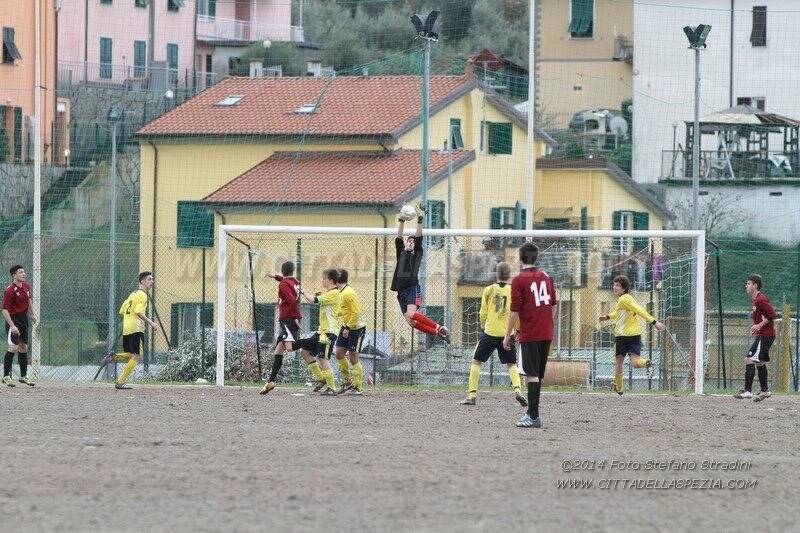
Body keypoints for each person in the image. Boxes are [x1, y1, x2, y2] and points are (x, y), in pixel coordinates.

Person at [503, 243, 556, 428]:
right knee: (537, 375)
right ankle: (531, 413)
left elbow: (514, 311)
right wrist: (549, 323)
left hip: (531, 333)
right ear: (536, 257)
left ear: (520, 257)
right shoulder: (547, 277)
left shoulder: (518, 280)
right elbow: (554, 304)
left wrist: (507, 334)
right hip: (546, 332)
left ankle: (533, 416)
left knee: (531, 375)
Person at [460, 262, 526, 407]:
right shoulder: (514, 291)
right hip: (507, 334)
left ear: (496, 274)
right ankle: (518, 391)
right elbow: (517, 313)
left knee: (476, 361)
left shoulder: (488, 290)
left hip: (490, 332)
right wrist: (518, 330)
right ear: (509, 276)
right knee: (512, 364)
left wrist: (483, 326)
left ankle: (471, 396)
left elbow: (482, 312)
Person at [390, 203, 450, 343]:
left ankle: (439, 327)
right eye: (408, 241)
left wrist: (420, 221)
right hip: (401, 292)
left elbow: (419, 237)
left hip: (412, 288)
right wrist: (401, 221)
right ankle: (437, 332)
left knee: (412, 313)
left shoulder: (417, 254)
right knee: (411, 322)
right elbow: (399, 237)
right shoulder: (401, 253)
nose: (410, 242)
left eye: (412, 241)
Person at [599, 275, 664, 396]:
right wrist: (607, 316)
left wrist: (654, 322)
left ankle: (619, 387)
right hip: (635, 335)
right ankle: (646, 363)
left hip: (623, 336)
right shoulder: (627, 298)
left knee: (619, 361)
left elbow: (639, 310)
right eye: (614, 284)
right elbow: (619, 313)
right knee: (635, 363)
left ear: (624, 289)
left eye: (618, 285)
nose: (614, 287)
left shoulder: (624, 299)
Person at [100, 272, 159, 390]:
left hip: (127, 328)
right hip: (136, 329)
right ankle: (120, 382)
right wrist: (151, 323)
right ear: (142, 281)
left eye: (152, 279)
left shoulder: (132, 294)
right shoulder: (143, 295)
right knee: (137, 357)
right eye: (149, 279)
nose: (152, 282)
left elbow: (122, 311)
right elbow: (138, 311)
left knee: (131, 355)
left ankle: (113, 357)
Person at [295, 269, 341, 395]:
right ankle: (321, 379)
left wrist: (304, 292)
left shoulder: (334, 293)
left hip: (328, 333)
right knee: (305, 352)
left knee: (323, 358)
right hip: (322, 331)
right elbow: (320, 301)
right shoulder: (329, 293)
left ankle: (332, 387)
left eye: (324, 278)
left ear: (331, 280)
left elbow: (313, 300)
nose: (322, 280)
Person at [261, 261, 302, 395]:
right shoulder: (295, 282)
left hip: (288, 319)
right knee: (278, 350)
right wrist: (275, 276)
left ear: (283, 271)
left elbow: (291, 300)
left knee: (289, 348)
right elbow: (286, 282)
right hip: (288, 318)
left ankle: (311, 342)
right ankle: (271, 381)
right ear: (293, 271)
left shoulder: (284, 284)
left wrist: (296, 316)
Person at [735, 274, 776, 402]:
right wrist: (758, 327)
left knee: (749, 359)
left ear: (755, 285)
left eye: (748, 283)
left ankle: (748, 391)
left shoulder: (760, 300)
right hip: (764, 335)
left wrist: (759, 326)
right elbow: (765, 316)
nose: (746, 286)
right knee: (759, 361)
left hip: (766, 335)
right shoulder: (756, 300)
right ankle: (765, 391)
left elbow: (772, 315)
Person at [2, 265, 38, 387]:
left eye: (24, 271)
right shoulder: (10, 290)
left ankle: (23, 376)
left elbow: (28, 300)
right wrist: (12, 326)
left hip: (23, 320)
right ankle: (6, 376)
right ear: (14, 275)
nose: (23, 274)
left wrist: (32, 314)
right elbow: (5, 310)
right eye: (20, 272)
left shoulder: (26, 286)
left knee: (23, 348)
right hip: (13, 320)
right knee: (13, 347)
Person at [334, 268, 366, 395]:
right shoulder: (339, 292)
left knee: (353, 357)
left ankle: (357, 387)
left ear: (337, 279)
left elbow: (356, 313)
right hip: (346, 326)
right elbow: (344, 310)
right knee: (339, 354)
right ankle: (347, 382)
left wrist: (348, 327)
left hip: (356, 328)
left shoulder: (349, 293)